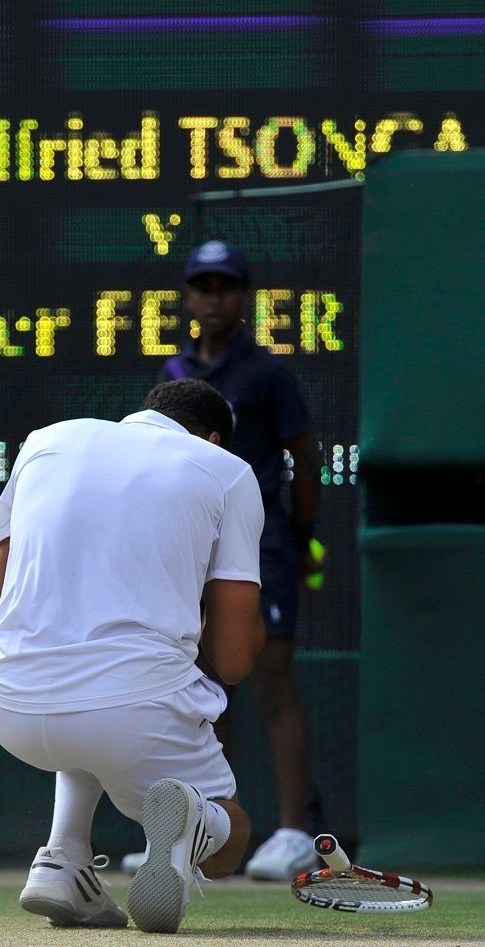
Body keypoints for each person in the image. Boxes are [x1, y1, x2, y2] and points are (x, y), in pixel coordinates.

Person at [0, 378, 266, 933]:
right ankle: (196, 821)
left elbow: (7, 591)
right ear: (212, 439)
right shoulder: (226, 470)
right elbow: (231, 660)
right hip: (132, 711)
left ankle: (63, 859)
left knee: (86, 690)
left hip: (5, 699)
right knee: (232, 835)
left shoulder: (45, 441)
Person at [123, 240, 322, 881]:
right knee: (205, 690)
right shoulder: (172, 371)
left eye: (226, 286)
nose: (214, 297)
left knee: (269, 677)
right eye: (203, 286)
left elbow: (305, 456)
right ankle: (208, 834)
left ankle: (291, 834)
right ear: (188, 295)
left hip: (261, 542)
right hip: (193, 545)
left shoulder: (267, 373)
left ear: (243, 296)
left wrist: (302, 532)